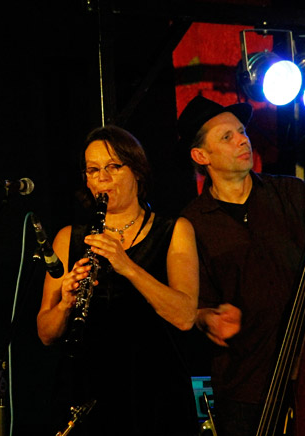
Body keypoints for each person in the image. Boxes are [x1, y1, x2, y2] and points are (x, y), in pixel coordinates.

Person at [176, 95, 305, 436]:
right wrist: (209, 319)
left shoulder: (292, 194)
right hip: (244, 389)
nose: (242, 140)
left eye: (242, 131)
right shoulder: (191, 224)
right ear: (201, 156)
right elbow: (191, 308)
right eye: (227, 137)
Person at [37, 125, 199, 436]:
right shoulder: (69, 238)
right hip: (85, 389)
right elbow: (45, 334)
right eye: (93, 170)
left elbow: (185, 316)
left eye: (113, 167)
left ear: (137, 170)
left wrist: (127, 266)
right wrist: (66, 304)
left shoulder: (174, 230)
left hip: (154, 391)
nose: (102, 178)